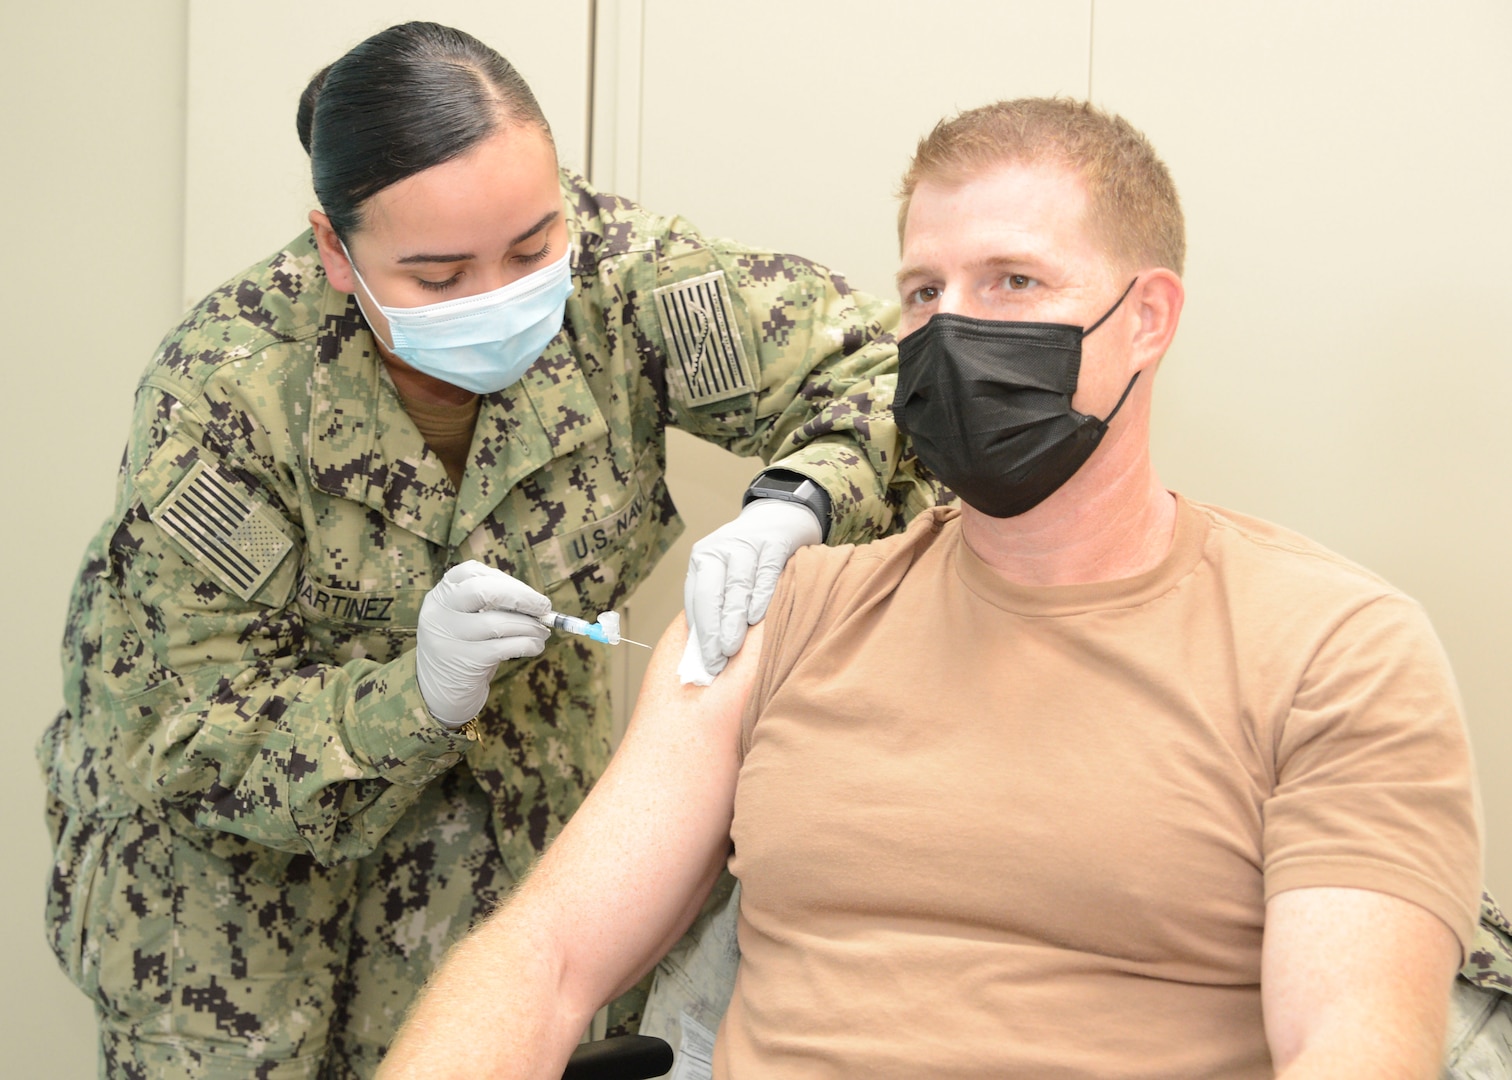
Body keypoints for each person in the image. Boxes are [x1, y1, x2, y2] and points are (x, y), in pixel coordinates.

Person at [376, 97, 1493, 1080]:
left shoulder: (1332, 647)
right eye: (923, 291)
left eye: (1012, 281)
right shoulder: (778, 619)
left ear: (1147, 317)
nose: (953, 330)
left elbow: (1349, 1050)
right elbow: (547, 955)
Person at [37, 21, 936, 1079]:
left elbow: (903, 373)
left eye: (529, 247)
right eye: (437, 275)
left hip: (503, 842)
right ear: (337, 251)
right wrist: (413, 695)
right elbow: (178, 737)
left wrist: (799, 500)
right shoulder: (228, 393)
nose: (500, 297)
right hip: (236, 919)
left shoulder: (620, 280)